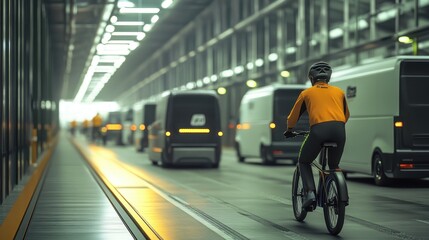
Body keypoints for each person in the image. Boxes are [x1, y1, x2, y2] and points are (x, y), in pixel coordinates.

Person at [284, 61, 350, 209]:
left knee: (304, 161)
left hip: (319, 131)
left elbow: (293, 116)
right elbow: (346, 115)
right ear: (329, 77)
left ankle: (310, 193)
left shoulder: (307, 93)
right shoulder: (339, 92)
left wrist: (289, 129)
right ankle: (338, 189)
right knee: (334, 166)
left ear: (311, 78)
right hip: (339, 130)